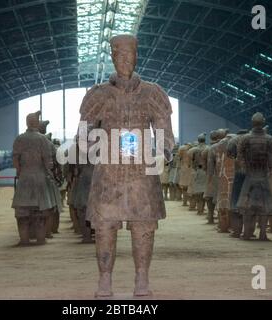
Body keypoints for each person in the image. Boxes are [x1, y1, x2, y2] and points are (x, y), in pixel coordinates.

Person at [79, 34, 174, 297]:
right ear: (112, 57)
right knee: (105, 225)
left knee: (144, 225)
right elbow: (84, 135)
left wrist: (162, 154)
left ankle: (141, 279)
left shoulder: (152, 93)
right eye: (120, 55)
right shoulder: (97, 95)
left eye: (130, 55)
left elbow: (165, 132)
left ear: (137, 56)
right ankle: (105, 280)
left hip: (141, 173)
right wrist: (97, 151)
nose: (125, 60)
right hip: (108, 174)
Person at [12, 112, 56, 246]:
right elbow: (48, 161)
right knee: (40, 213)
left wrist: (20, 172)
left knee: (22, 213)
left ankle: (24, 240)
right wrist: (49, 173)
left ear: (27, 123)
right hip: (40, 178)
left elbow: (15, 159)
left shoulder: (19, 139)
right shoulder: (43, 139)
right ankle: (40, 239)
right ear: (36, 123)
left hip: (24, 178)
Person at [237, 113, 272, 241]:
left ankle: (247, 234)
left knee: (247, 206)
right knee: (264, 207)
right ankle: (263, 234)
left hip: (250, 176)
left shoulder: (245, 138)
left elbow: (240, 155)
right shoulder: (270, 139)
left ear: (252, 122)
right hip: (263, 176)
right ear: (263, 122)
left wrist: (243, 167)